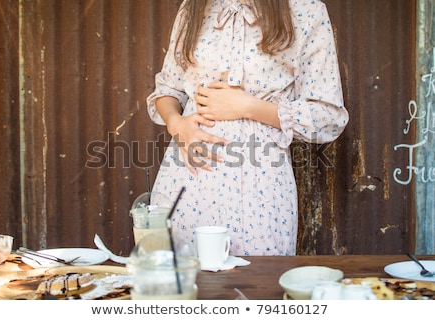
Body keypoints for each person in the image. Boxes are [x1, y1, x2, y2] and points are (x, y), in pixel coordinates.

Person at [146, 0, 349, 256]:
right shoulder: (194, 7)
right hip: (187, 178)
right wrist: (177, 124)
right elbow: (168, 88)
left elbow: (328, 117)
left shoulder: (305, 9)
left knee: (258, 285)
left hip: (259, 188)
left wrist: (248, 107)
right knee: (182, 284)